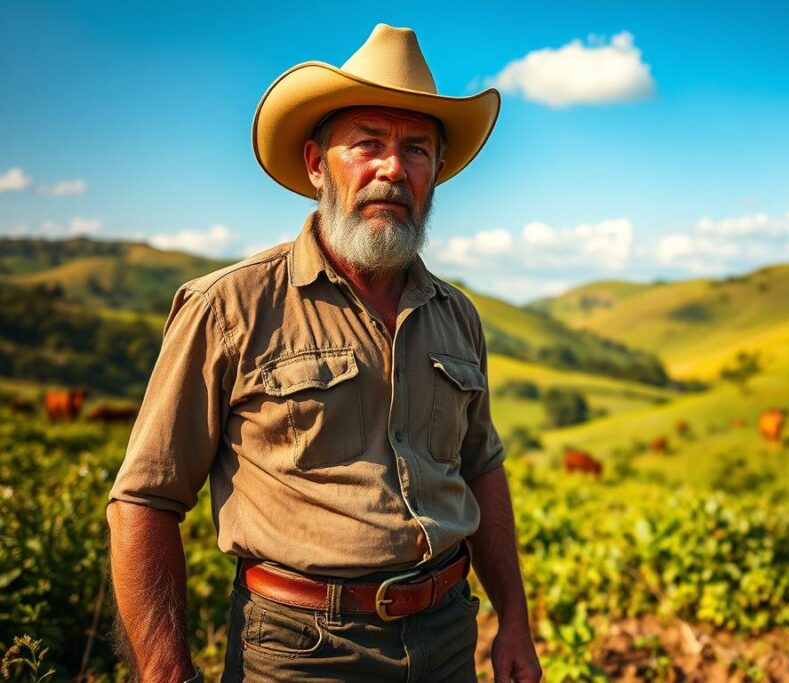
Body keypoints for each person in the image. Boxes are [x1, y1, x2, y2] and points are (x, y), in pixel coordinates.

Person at [106, 24, 542, 683]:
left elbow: (481, 466)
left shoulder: (456, 316)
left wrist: (515, 617)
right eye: (368, 143)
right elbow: (144, 497)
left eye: (416, 150)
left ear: (435, 175)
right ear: (316, 163)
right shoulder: (229, 306)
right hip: (298, 651)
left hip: (448, 636)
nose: (393, 168)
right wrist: (164, 669)